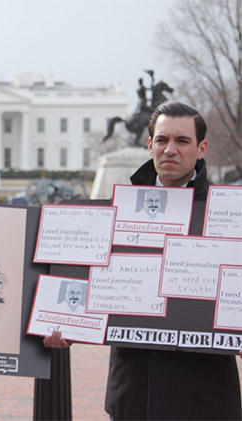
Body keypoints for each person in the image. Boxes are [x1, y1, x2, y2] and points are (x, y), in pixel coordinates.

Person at [44, 101, 241, 420]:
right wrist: (61, 321)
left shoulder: (231, 216)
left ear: (201, 148)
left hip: (207, 390)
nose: (170, 149)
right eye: (162, 140)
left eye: (182, 141)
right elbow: (82, 282)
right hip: (137, 387)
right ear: (149, 145)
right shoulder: (117, 212)